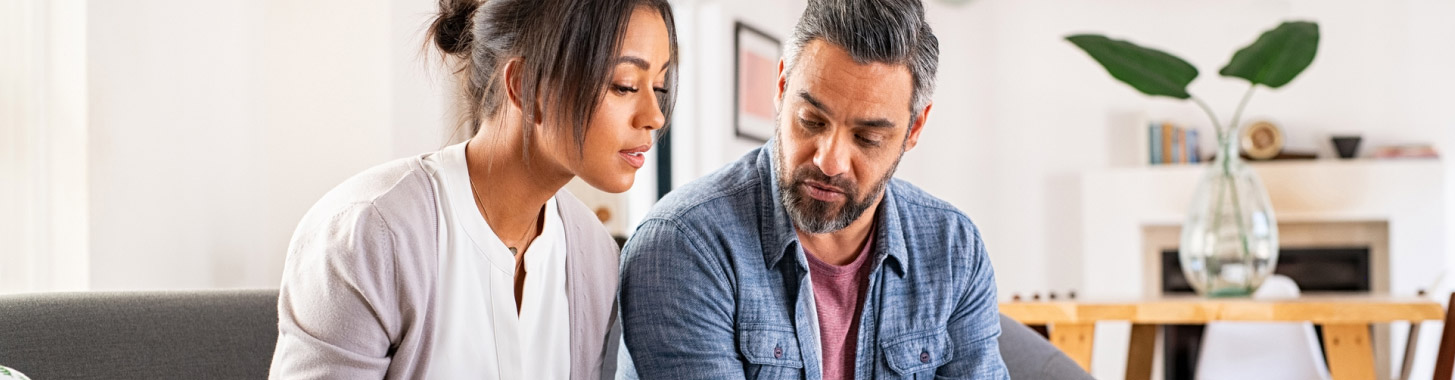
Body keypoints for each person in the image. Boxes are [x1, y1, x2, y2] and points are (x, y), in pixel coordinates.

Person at [267, 0, 677, 378]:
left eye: (658, 87)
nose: (655, 116)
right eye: (624, 84)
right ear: (525, 85)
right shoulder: (369, 234)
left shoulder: (594, 254)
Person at [615, 0, 1008, 378]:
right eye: (811, 121)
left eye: (867, 137)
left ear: (914, 129)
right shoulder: (684, 245)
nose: (829, 161)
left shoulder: (954, 248)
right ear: (782, 86)